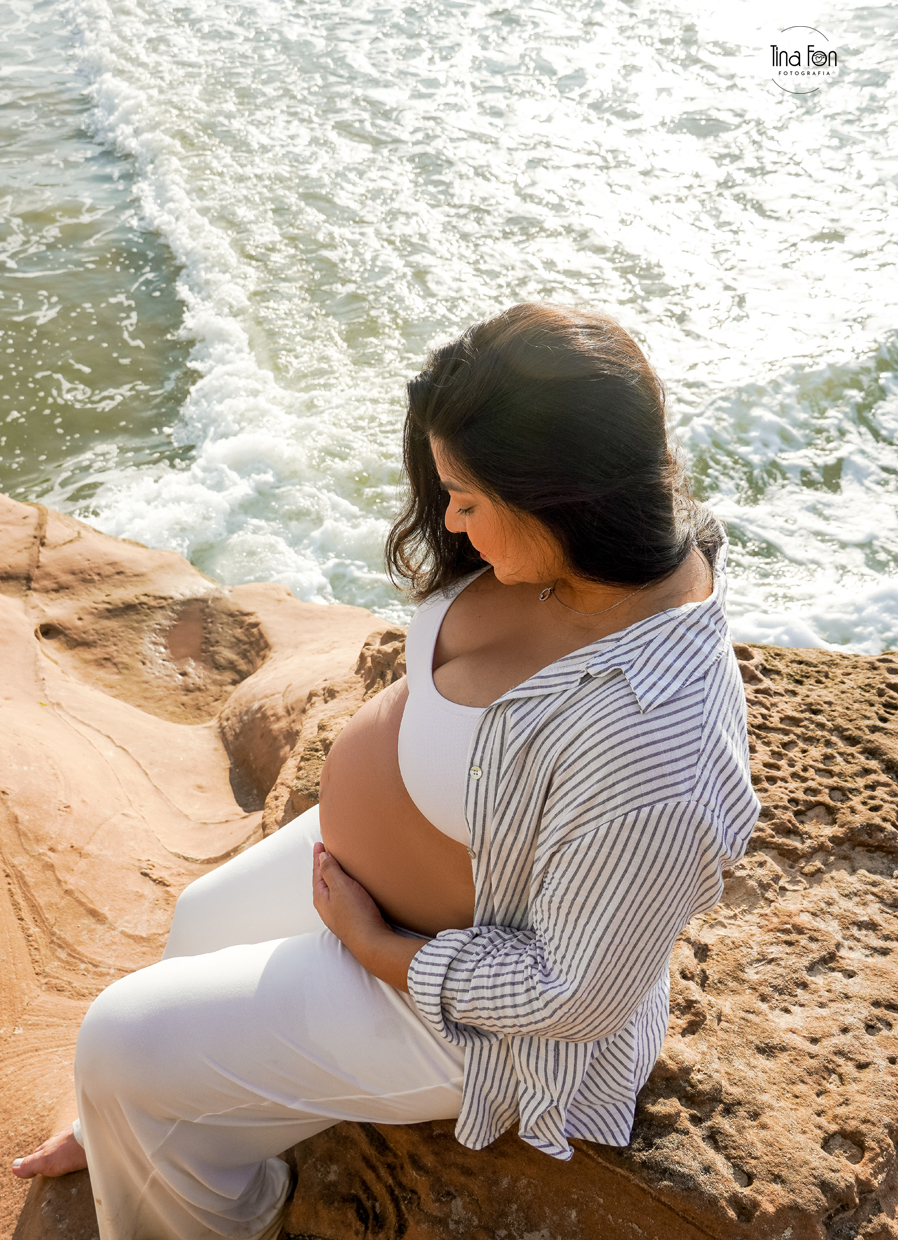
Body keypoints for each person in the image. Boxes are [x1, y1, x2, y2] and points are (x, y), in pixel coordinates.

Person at [12, 303, 760, 1239]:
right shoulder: (595, 553)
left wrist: (384, 954)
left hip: (466, 1015)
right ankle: (146, 1122)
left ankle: (206, 1205)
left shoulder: (658, 744)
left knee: (119, 1040)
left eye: (470, 499)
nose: (447, 517)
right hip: (379, 884)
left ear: (569, 500)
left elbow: (575, 994)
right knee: (196, 924)